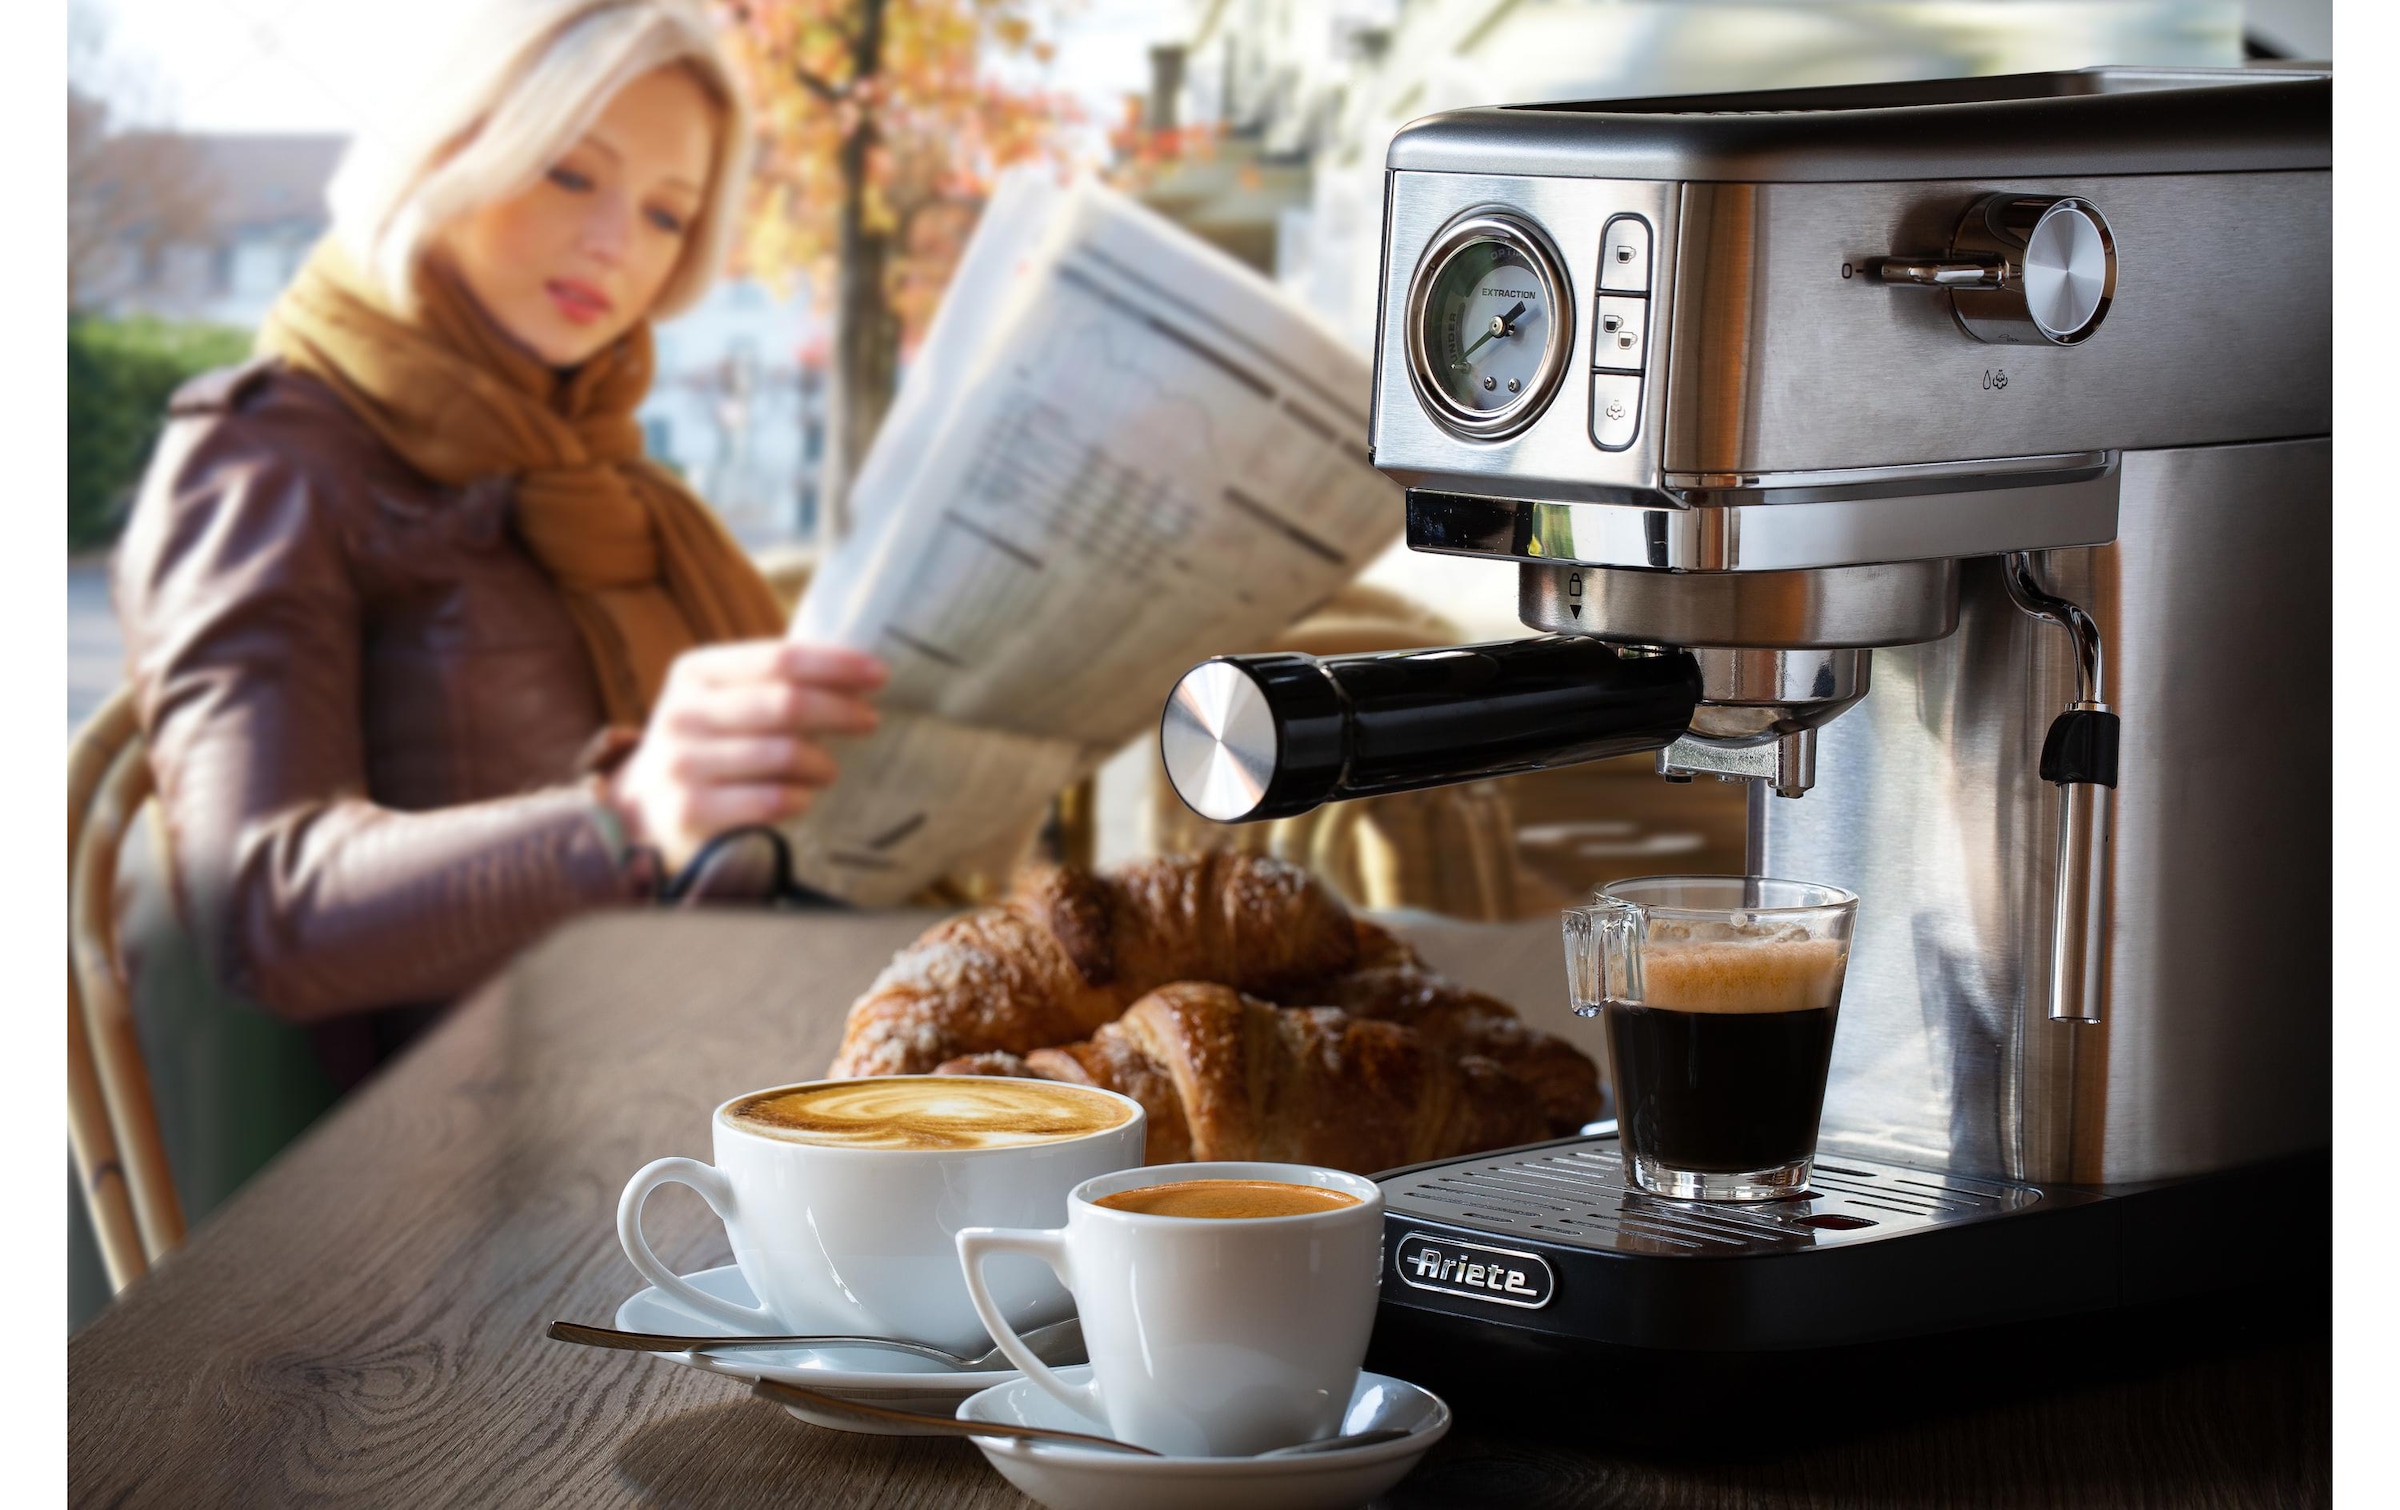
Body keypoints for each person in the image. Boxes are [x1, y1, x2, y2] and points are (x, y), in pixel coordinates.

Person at [111, 0, 884, 1102]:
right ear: (450, 148)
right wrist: (625, 818)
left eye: (668, 215)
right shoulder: (265, 460)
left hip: (717, 1070)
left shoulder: (616, 482)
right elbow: (258, 913)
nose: (617, 246)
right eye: (573, 174)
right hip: (482, 1175)